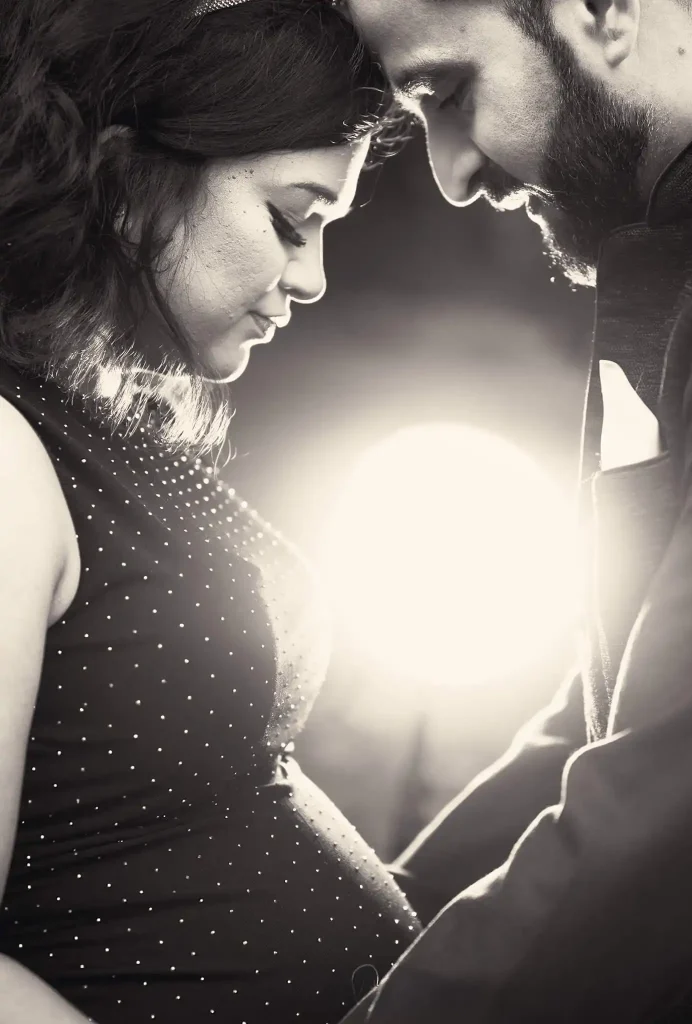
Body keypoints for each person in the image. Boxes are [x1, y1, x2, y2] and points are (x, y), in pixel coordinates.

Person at [337, 0, 692, 1021]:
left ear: (604, 11)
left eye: (447, 92)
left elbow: (680, 816)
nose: (451, 175)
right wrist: (384, 928)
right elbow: (624, 692)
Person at [0, 2, 421, 1022]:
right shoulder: (7, 446)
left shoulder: (100, 426)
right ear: (126, 176)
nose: (311, 279)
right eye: (289, 219)